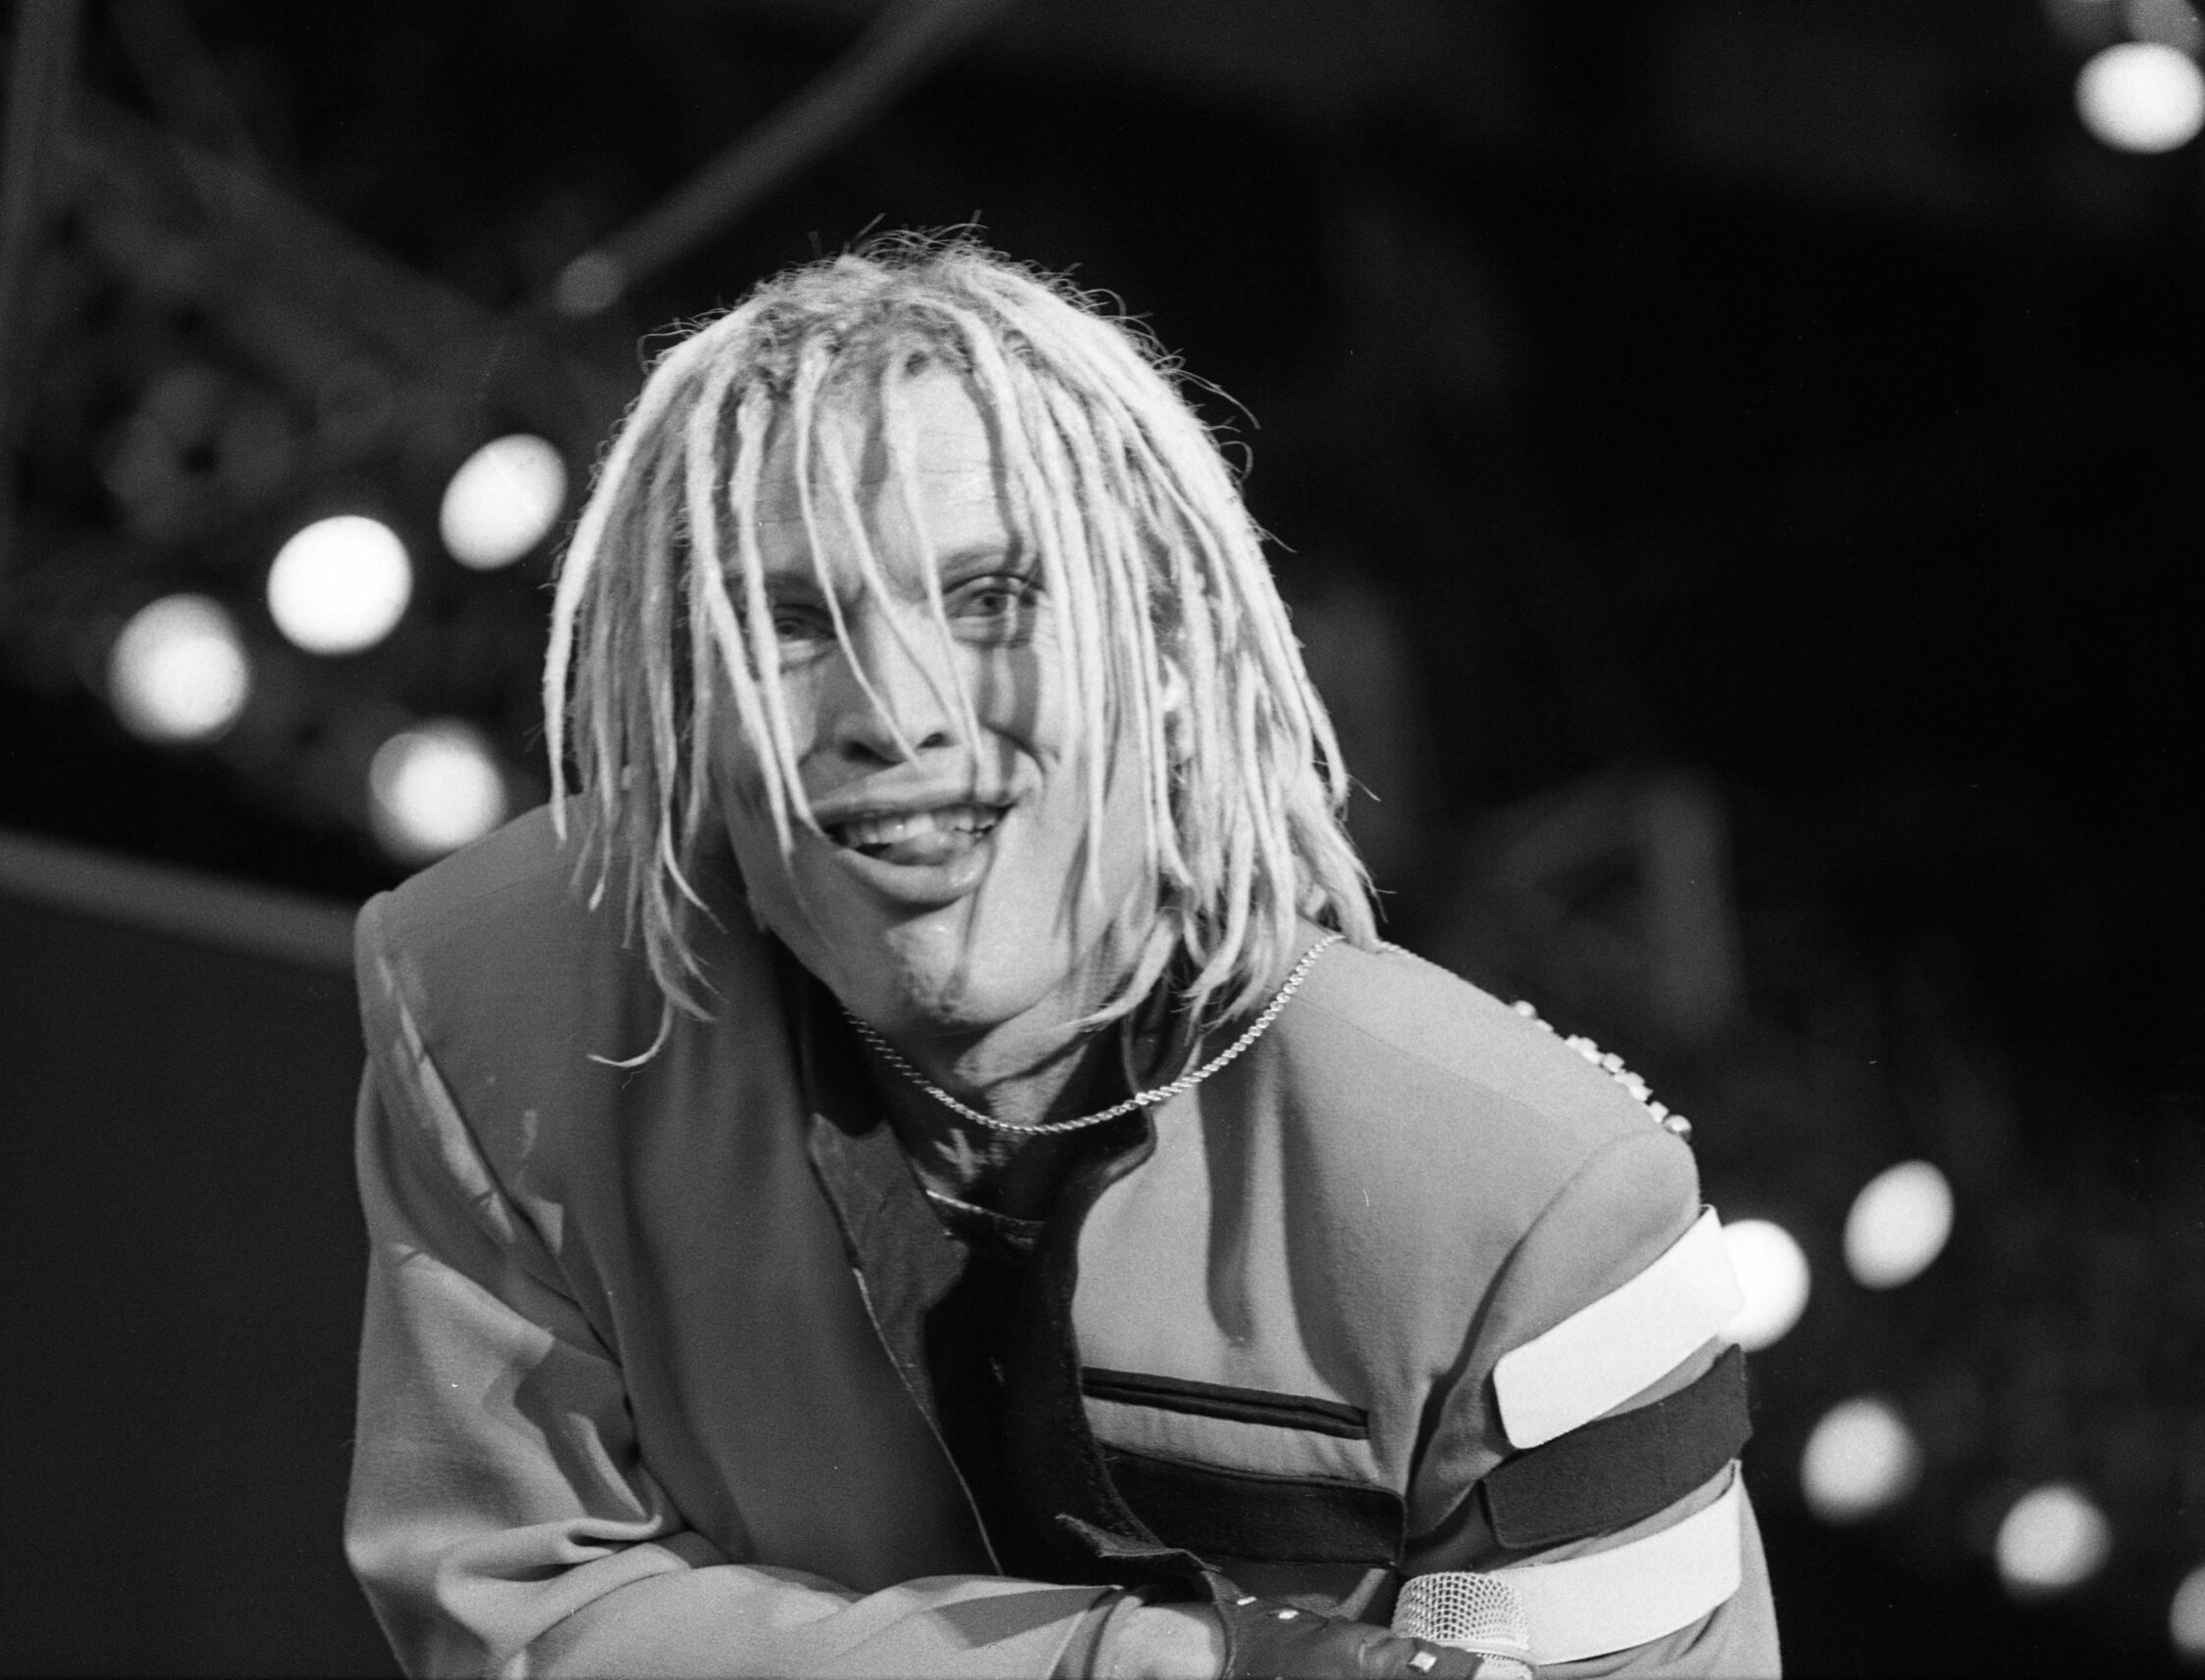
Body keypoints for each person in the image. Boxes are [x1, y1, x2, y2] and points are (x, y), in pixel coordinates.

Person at [344, 235, 1778, 1677]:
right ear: (688, 691)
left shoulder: (1529, 1203)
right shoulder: (497, 999)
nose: (894, 715)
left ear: (1170, 648)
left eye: (989, 602)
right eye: (790, 622)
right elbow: (524, 1615)